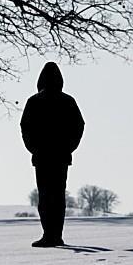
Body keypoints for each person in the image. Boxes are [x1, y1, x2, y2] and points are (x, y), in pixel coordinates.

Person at [20, 61, 85, 247]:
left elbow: (25, 128)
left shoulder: (34, 101)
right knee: (58, 196)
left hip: (43, 156)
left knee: (46, 196)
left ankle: (50, 234)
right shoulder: (68, 101)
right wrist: (68, 147)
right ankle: (55, 234)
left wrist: (34, 148)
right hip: (60, 156)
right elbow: (79, 126)